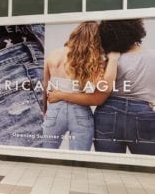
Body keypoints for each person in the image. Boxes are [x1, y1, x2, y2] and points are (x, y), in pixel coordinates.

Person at [48, 19, 155, 155]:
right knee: (147, 165)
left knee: (107, 166)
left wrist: (60, 95)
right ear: (136, 31)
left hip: (108, 113)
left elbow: (98, 95)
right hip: (144, 113)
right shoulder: (153, 56)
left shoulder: (107, 58)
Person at [43, 21, 119, 151]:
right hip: (81, 112)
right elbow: (104, 88)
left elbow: (43, 86)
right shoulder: (94, 61)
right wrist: (113, 60)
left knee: (44, 154)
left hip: (54, 111)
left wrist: (44, 110)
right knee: (78, 159)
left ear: (76, 33)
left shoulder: (54, 54)